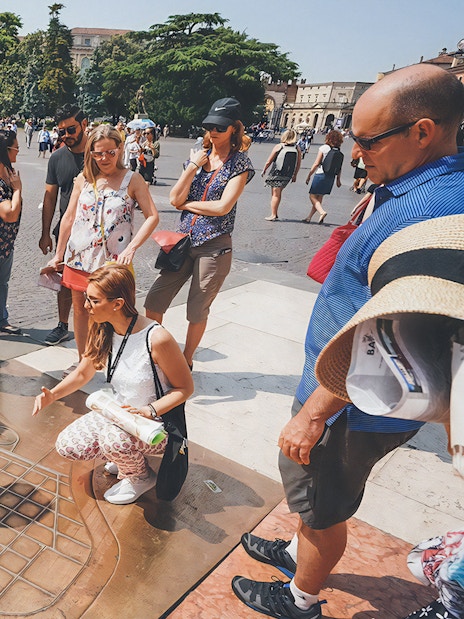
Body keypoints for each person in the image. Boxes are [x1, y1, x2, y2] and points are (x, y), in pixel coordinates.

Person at [232, 63, 464, 619]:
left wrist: (315, 411)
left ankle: (300, 598)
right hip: (349, 392)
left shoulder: (426, 207)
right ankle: (296, 552)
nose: (356, 153)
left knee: (324, 504)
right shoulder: (422, 182)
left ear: (423, 131)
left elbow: (391, 330)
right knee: (314, 493)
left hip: (350, 401)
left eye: (367, 141)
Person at [32, 264, 194, 505]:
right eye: (87, 297)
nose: (86, 305)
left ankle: (140, 476)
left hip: (155, 422)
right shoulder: (103, 326)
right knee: (68, 445)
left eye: (93, 300)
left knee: (113, 440)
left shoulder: (157, 338)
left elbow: (185, 388)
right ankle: (124, 456)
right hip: (120, 413)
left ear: (117, 303)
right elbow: (83, 372)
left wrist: (149, 411)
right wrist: (52, 395)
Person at [144, 97, 254, 369]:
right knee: (154, 300)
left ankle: (186, 360)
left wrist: (187, 205)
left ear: (233, 128)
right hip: (183, 243)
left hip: (214, 247)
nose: (213, 131)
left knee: (196, 310)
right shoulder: (197, 155)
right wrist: (193, 166)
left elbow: (222, 206)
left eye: (220, 127)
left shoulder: (239, 163)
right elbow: (173, 198)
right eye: (209, 126)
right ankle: (156, 353)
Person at [47, 124, 159, 366]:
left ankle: (116, 361)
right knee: (81, 310)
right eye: (98, 153)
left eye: (110, 152)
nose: (104, 158)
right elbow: (68, 217)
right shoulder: (84, 179)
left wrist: (132, 248)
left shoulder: (133, 179)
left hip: (111, 263)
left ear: (120, 149)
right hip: (79, 257)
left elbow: (152, 216)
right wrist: (58, 255)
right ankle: (83, 362)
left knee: (115, 313)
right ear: (91, 153)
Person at [39, 105, 89, 347]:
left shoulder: (100, 153)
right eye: (61, 132)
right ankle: (62, 325)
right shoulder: (58, 157)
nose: (66, 135)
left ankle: (101, 326)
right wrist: (45, 233)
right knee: (66, 281)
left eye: (71, 129)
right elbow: (50, 196)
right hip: (67, 231)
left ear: (84, 124)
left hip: (96, 232)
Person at [0, 130, 22, 335]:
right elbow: (10, 214)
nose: (18, 151)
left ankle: (1, 318)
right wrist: (17, 190)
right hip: (2, 241)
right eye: (16, 147)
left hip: (6, 242)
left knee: (2, 282)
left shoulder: (7, 171)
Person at [303, 129, 344, 223]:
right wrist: (338, 179)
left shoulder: (324, 148)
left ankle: (322, 212)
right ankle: (309, 217)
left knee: (312, 196)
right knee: (320, 197)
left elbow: (316, 163)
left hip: (321, 174)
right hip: (331, 177)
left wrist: (309, 175)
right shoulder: (338, 151)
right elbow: (339, 167)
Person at [262, 129, 301, 221]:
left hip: (276, 172)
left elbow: (269, 160)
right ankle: (275, 212)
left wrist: (264, 169)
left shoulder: (279, 146)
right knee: (277, 193)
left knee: (275, 194)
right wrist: (295, 174)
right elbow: (298, 163)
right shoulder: (297, 148)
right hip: (288, 174)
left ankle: (273, 214)